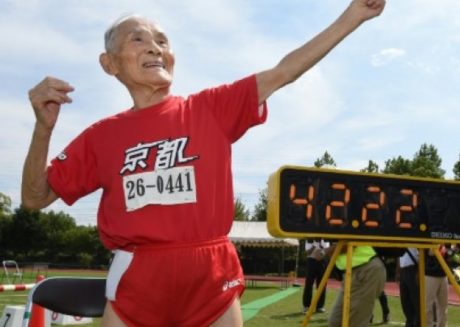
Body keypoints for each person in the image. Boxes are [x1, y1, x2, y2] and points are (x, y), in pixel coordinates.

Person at [21, 1, 386, 326]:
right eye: (138, 39)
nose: (155, 47)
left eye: (163, 41)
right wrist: (43, 129)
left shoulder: (209, 109)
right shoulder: (100, 137)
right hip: (137, 278)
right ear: (110, 63)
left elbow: (283, 71)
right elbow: (35, 197)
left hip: (212, 274)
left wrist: (352, 15)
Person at [314, 244, 386, 327]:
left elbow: (351, 242)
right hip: (351, 273)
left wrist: (324, 251)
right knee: (335, 321)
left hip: (366, 270)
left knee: (355, 322)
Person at [302, 238, 330, 314]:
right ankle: (306, 306)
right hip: (311, 261)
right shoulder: (309, 239)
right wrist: (314, 245)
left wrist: (320, 246)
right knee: (308, 284)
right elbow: (307, 253)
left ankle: (320, 307)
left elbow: (327, 251)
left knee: (322, 284)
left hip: (322, 261)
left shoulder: (325, 239)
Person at [395, 248, 420, 327]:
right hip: (403, 270)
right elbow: (399, 256)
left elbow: (422, 255)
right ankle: (410, 323)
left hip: (413, 269)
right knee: (405, 301)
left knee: (416, 301)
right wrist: (398, 270)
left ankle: (417, 324)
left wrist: (419, 271)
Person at [425, 245, 448, 327]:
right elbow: (430, 252)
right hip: (430, 274)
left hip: (444, 273)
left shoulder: (445, 239)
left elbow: (449, 256)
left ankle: (442, 325)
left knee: (443, 306)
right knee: (427, 306)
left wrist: (450, 252)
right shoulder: (427, 237)